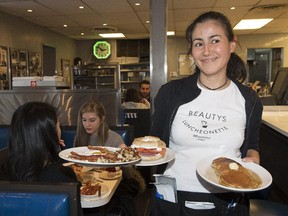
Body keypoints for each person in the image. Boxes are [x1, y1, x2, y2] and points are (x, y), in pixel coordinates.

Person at [149, 11, 263, 216]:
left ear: (232, 44)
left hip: (228, 199)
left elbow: (251, 148)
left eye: (215, 40)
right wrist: (132, 154)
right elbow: (156, 144)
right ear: (192, 50)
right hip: (172, 199)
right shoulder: (171, 92)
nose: (206, 50)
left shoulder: (249, 99)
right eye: (199, 43)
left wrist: (253, 159)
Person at [0, 101, 83, 215]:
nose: (60, 131)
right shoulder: (61, 177)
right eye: (58, 126)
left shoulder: (5, 168)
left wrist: (51, 147)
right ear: (51, 134)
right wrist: (53, 147)